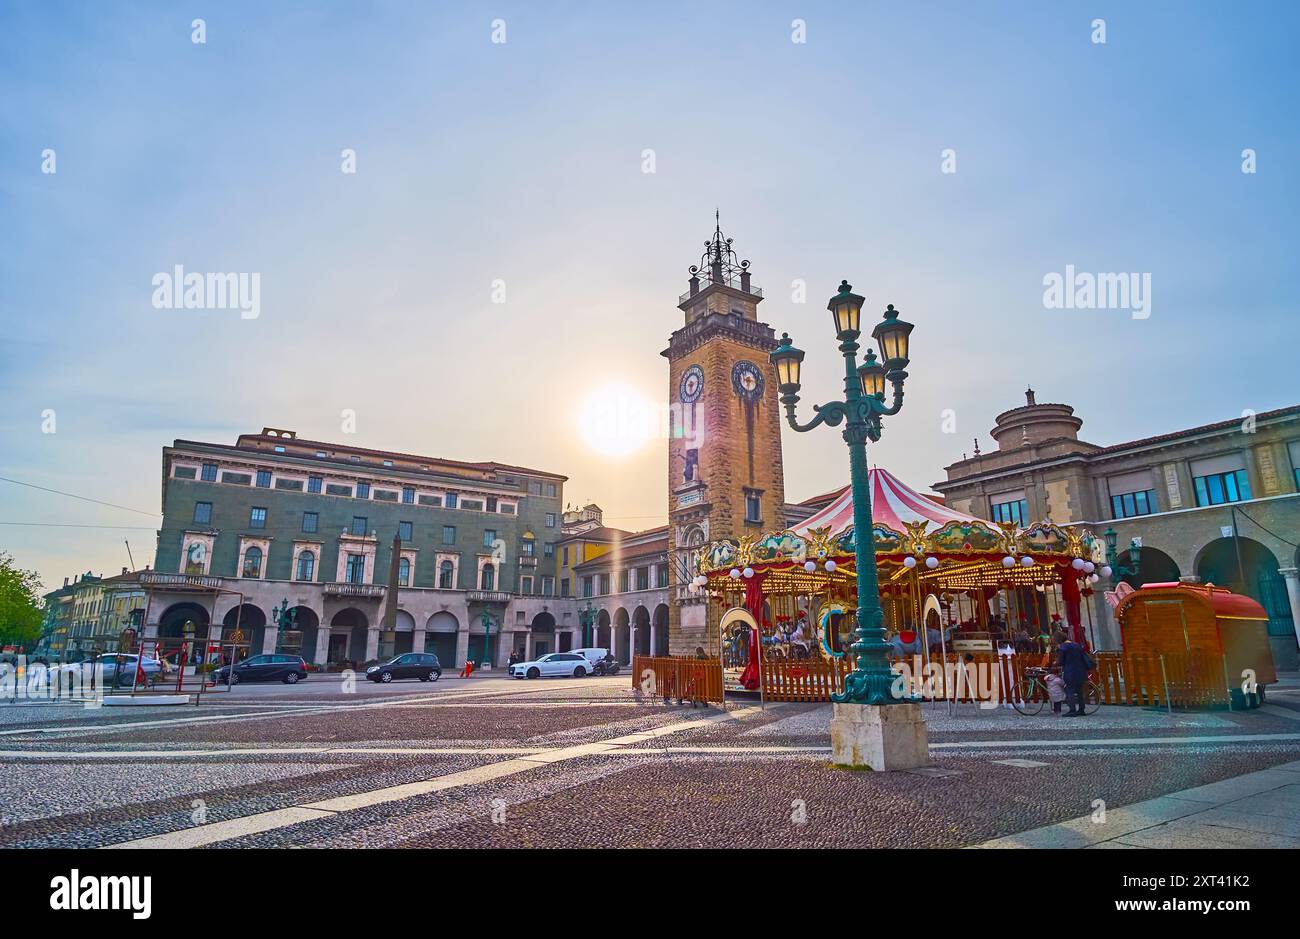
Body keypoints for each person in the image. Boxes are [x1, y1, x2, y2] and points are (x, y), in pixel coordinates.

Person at [1055, 630, 1092, 716]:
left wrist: (1055, 663)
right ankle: (1081, 709)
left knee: (1070, 690)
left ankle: (1072, 710)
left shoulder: (1063, 647)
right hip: (1081, 670)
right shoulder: (1076, 645)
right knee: (1079, 691)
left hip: (1070, 671)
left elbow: (1060, 661)